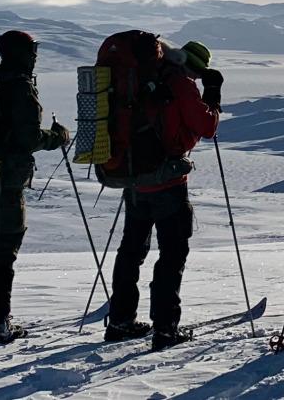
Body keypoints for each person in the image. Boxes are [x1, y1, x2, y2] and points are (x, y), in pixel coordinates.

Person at [105, 40, 223, 350]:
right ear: (193, 67)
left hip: (134, 179)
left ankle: (120, 320)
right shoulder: (181, 84)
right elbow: (207, 126)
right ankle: (166, 328)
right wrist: (212, 95)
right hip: (167, 181)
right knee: (172, 254)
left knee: (131, 251)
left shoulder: (144, 78)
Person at [0, 30, 70, 344]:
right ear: (24, 54)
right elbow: (27, 138)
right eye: (32, 51)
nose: (35, 56)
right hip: (6, 180)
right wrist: (57, 137)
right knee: (3, 250)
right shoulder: (19, 87)